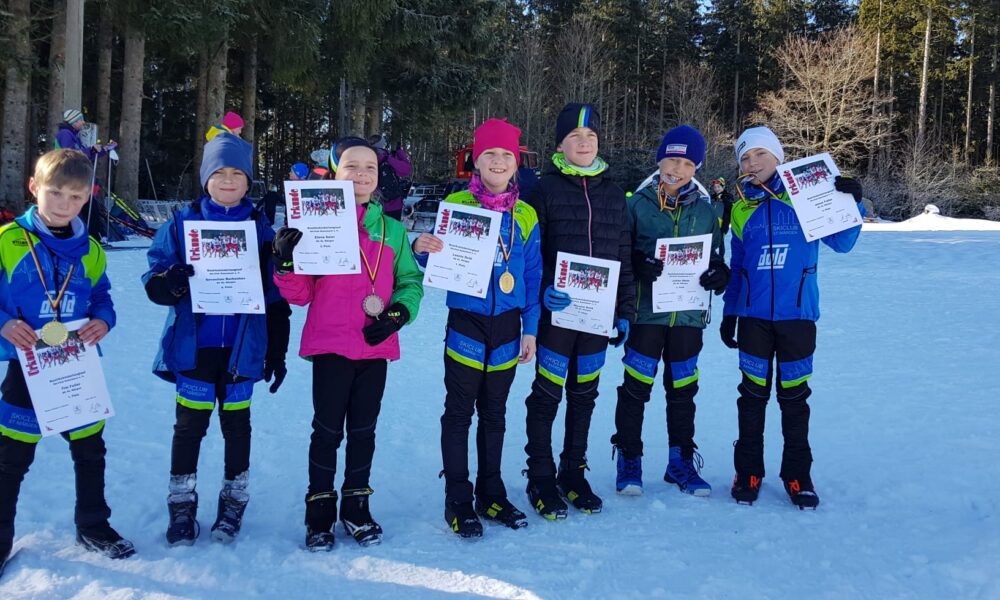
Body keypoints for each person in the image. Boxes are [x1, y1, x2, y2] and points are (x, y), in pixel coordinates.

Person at [272, 137, 423, 550]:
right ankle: (319, 509)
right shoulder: (314, 225)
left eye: (369, 167)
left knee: (364, 430)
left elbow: (410, 281)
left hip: (374, 347)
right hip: (332, 344)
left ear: (379, 176)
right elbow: (300, 294)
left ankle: (356, 506)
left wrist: (397, 315)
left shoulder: (392, 229)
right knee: (326, 430)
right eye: (351, 166)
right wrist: (286, 262)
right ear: (335, 173)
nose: (361, 174)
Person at [142, 133, 291, 545]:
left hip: (242, 351)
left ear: (249, 182)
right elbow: (153, 281)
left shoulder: (261, 231)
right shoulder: (181, 224)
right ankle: (182, 503)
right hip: (195, 348)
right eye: (219, 173)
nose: (228, 181)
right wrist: (169, 283)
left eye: (237, 174)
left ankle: (234, 500)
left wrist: (277, 352)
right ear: (206, 178)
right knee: (189, 426)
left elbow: (278, 299)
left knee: (237, 426)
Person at [0, 149, 136, 574]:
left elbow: (102, 297)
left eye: (75, 197)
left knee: (90, 451)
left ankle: (93, 524)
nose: (63, 204)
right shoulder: (7, 241)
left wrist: (103, 321)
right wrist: (4, 323)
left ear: (87, 198)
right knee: (11, 459)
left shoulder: (91, 249)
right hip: (28, 368)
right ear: (34, 187)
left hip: (77, 366)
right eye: (55, 192)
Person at [721, 126, 864, 509]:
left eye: (760, 155)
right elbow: (737, 267)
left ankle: (797, 473)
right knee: (751, 397)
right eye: (745, 158)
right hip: (753, 319)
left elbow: (844, 243)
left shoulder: (807, 198)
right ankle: (748, 470)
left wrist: (854, 203)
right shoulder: (739, 208)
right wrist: (729, 312)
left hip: (797, 318)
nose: (752, 164)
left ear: (778, 158)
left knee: (795, 398)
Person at [412, 119, 542, 538]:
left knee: (495, 413)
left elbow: (534, 276)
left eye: (506, 155)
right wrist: (421, 248)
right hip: (466, 322)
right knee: (459, 411)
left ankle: (491, 491)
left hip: (507, 325)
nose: (499, 161)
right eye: (490, 154)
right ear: (476, 160)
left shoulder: (525, 214)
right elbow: (436, 261)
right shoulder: (457, 204)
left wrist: (531, 328)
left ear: (516, 162)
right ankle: (457, 497)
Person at [521, 103, 635, 519]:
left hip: (596, 317)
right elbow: (531, 252)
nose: (584, 143)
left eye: (590, 137)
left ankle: (574, 472)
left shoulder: (612, 192)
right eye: (575, 137)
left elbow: (623, 252)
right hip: (557, 316)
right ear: (560, 144)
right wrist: (546, 288)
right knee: (547, 395)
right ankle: (540, 475)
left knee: (584, 395)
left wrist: (624, 309)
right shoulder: (542, 189)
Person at [610, 125, 728, 497]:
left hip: (688, 318)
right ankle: (630, 459)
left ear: (696, 167)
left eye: (686, 162)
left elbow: (716, 258)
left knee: (683, 392)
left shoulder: (708, 212)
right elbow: (619, 256)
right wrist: (637, 262)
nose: (676, 168)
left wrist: (718, 276)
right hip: (647, 315)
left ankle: (680, 463)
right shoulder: (637, 204)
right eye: (671, 159)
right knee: (635, 389)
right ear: (660, 160)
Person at [370, 136, 412, 221]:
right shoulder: (385, 157)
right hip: (393, 204)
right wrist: (400, 152)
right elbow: (407, 170)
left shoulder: (366, 156)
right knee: (392, 231)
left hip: (373, 203)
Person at [710, 177, 733, 258]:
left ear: (723, 187)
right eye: (715, 187)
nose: (716, 189)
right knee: (711, 241)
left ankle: (721, 258)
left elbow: (729, 209)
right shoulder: (712, 197)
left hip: (722, 224)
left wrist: (723, 198)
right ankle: (711, 257)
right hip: (712, 224)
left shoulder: (728, 196)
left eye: (718, 187)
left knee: (721, 242)